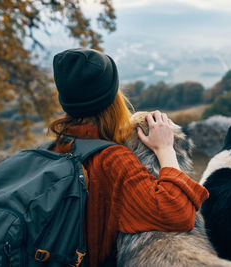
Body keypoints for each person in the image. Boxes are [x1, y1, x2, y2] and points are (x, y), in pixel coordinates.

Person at [49, 48, 209, 266]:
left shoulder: (56, 148)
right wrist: (165, 149)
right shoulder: (113, 159)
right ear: (113, 98)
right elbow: (176, 213)